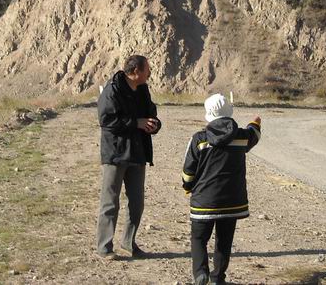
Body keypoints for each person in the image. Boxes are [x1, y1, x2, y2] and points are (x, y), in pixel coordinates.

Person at [181, 93, 261, 284]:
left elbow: (188, 172)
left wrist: (188, 187)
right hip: (233, 202)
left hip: (204, 202)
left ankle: (200, 274)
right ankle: (218, 277)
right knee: (224, 241)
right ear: (229, 112)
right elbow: (255, 134)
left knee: (199, 238)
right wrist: (255, 123)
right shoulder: (241, 137)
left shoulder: (199, 139)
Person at [95, 54, 162, 260]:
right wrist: (136, 123)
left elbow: (150, 113)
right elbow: (106, 121)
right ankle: (104, 247)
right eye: (147, 69)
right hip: (116, 154)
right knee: (110, 202)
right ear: (135, 71)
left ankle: (128, 242)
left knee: (137, 203)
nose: (149, 73)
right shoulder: (112, 90)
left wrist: (154, 125)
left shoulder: (142, 89)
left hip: (137, 152)